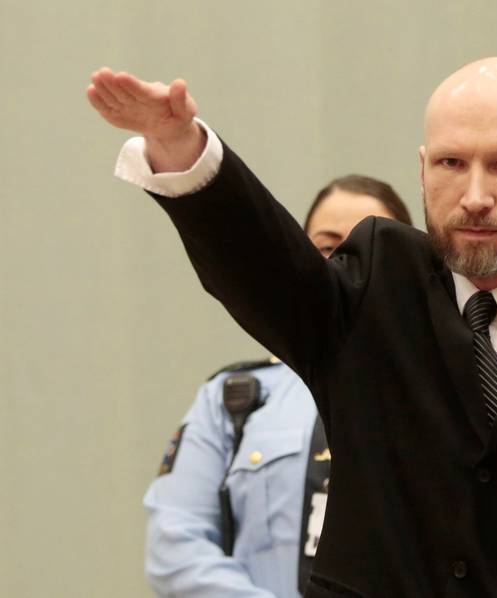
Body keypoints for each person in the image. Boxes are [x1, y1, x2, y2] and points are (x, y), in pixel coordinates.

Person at [87, 57, 497, 597]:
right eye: (451, 164)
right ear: (423, 168)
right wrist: (181, 149)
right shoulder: (372, 291)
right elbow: (262, 265)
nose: (476, 194)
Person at [142, 177, 413, 598]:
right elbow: (174, 547)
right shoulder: (235, 399)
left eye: (367, 249)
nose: (342, 261)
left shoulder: (437, 396)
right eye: (325, 246)